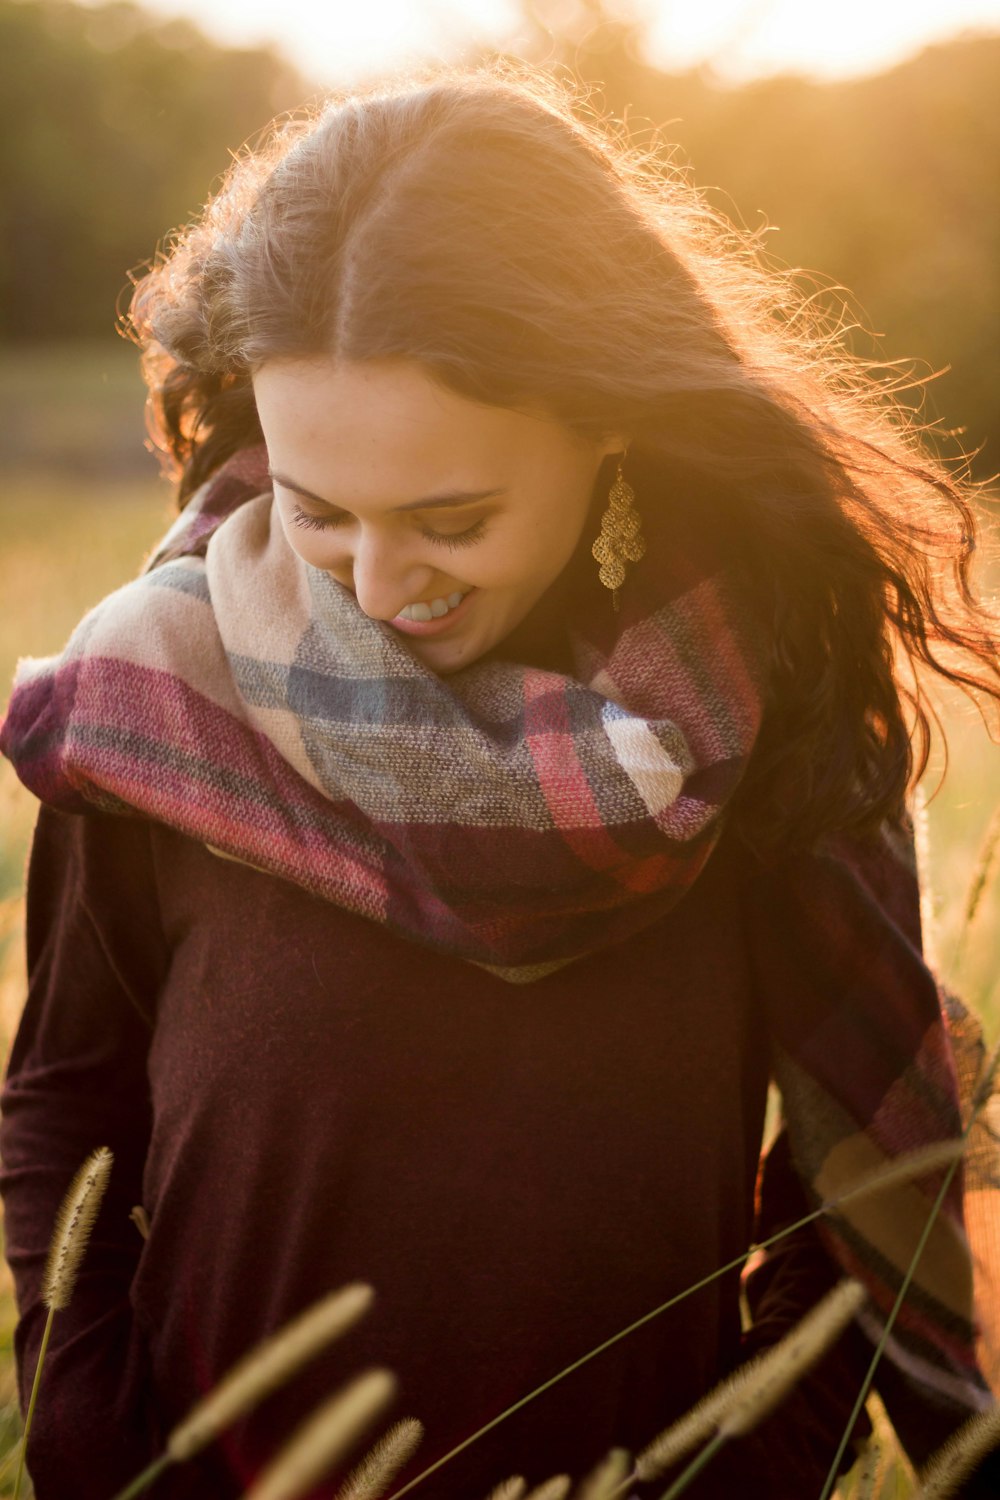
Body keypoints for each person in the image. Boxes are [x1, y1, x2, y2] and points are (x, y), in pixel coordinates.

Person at [1, 62, 999, 1500]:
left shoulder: (767, 716)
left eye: (451, 518)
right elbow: (64, 1104)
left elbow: (863, 1179)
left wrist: (744, 1469)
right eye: (319, 509)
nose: (385, 584)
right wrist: (92, 1438)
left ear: (607, 422)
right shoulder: (153, 697)